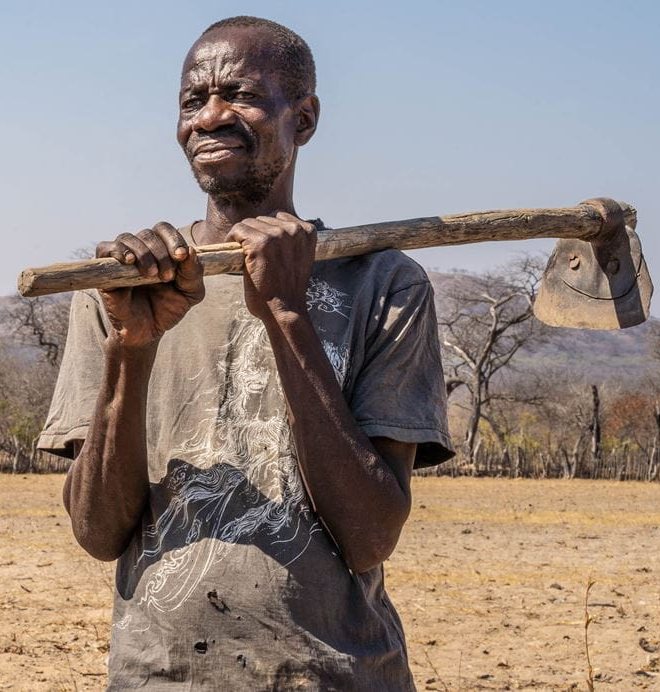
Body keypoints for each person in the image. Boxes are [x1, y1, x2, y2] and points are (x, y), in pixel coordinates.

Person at [37, 16, 454, 689]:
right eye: (190, 101)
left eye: (240, 94)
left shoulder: (382, 283)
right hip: (156, 677)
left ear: (305, 118)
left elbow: (370, 536)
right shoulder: (117, 292)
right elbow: (94, 532)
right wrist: (132, 347)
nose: (208, 117)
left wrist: (288, 314)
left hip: (332, 676)